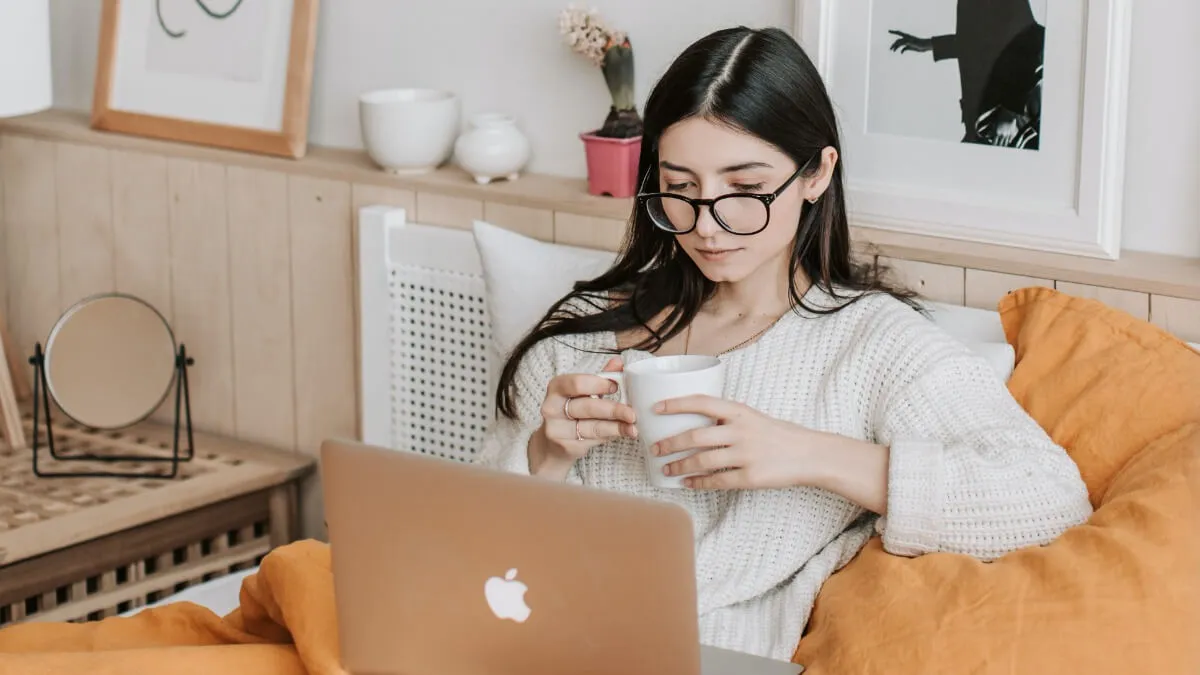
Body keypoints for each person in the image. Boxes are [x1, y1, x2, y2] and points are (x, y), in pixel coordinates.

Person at [477, 26, 1092, 661]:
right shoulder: (579, 338)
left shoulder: (872, 345)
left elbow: (1049, 497)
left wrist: (808, 454)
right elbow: (476, 551)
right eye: (681, 188)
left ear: (816, 175)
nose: (709, 225)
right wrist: (544, 456)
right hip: (533, 645)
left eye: (745, 190)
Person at [889, 0, 1044, 147]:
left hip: (1009, 123)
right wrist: (927, 45)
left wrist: (1010, 113)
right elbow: (981, 40)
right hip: (985, 123)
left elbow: (1031, 39)